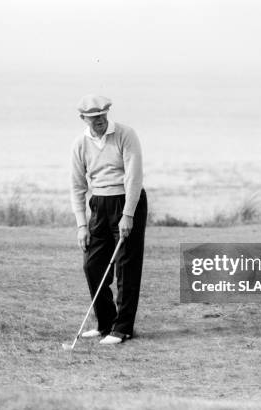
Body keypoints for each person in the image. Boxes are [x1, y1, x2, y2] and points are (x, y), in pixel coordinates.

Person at [70, 94, 147, 345]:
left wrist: (128, 214)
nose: (99, 121)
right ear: (83, 118)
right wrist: (82, 225)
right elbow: (77, 187)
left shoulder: (126, 134)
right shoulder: (80, 144)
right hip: (99, 206)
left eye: (102, 115)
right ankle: (105, 323)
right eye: (93, 117)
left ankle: (123, 328)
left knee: (126, 266)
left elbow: (134, 176)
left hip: (126, 201)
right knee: (92, 265)